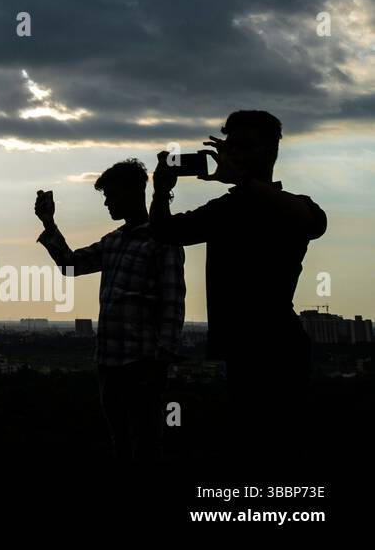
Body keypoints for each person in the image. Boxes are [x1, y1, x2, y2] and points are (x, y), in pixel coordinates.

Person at [148, 110, 326, 462]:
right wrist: (161, 192)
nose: (234, 155)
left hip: (277, 348)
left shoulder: (290, 205)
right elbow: (165, 233)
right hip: (245, 350)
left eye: (244, 146)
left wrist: (243, 182)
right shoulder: (228, 208)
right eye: (231, 147)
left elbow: (313, 221)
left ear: (269, 152)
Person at [35, 159, 185, 460]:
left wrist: (160, 361)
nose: (106, 203)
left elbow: (173, 303)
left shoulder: (163, 241)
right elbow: (70, 264)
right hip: (109, 363)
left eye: (111, 195)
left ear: (132, 193)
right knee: (122, 443)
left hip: (142, 365)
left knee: (145, 444)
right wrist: (48, 223)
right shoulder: (115, 241)